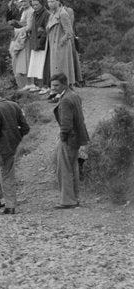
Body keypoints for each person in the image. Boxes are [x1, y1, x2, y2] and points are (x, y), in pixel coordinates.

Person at [50, 73, 89, 209]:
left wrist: (62, 137)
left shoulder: (66, 99)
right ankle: (74, 198)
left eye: (56, 85)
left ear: (64, 84)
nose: (54, 88)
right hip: (78, 137)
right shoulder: (74, 95)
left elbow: (66, 123)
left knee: (64, 169)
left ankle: (67, 200)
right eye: (52, 85)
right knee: (73, 168)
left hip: (69, 138)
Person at [44, 0, 82, 89]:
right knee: (55, 69)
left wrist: (60, 43)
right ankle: (57, 90)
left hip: (61, 46)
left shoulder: (63, 13)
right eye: (48, 2)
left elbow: (69, 32)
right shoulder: (52, 14)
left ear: (58, 1)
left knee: (62, 69)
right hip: (53, 45)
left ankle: (64, 89)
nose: (50, 4)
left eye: (52, 1)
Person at [23, 0, 49, 92]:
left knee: (43, 65)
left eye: (36, 5)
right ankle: (38, 85)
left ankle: (45, 86)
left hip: (42, 43)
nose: (34, 7)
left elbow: (46, 31)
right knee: (36, 65)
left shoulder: (46, 14)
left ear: (42, 4)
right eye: (33, 5)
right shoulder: (34, 14)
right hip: (34, 42)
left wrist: (40, 42)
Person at [10, 0, 33, 89]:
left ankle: (30, 83)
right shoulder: (24, 11)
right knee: (21, 62)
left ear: (29, 1)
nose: (23, 3)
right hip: (21, 38)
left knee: (27, 61)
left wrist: (17, 30)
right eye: (22, 1)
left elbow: (29, 27)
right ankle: (24, 84)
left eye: (25, 1)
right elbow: (23, 23)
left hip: (27, 39)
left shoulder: (30, 11)